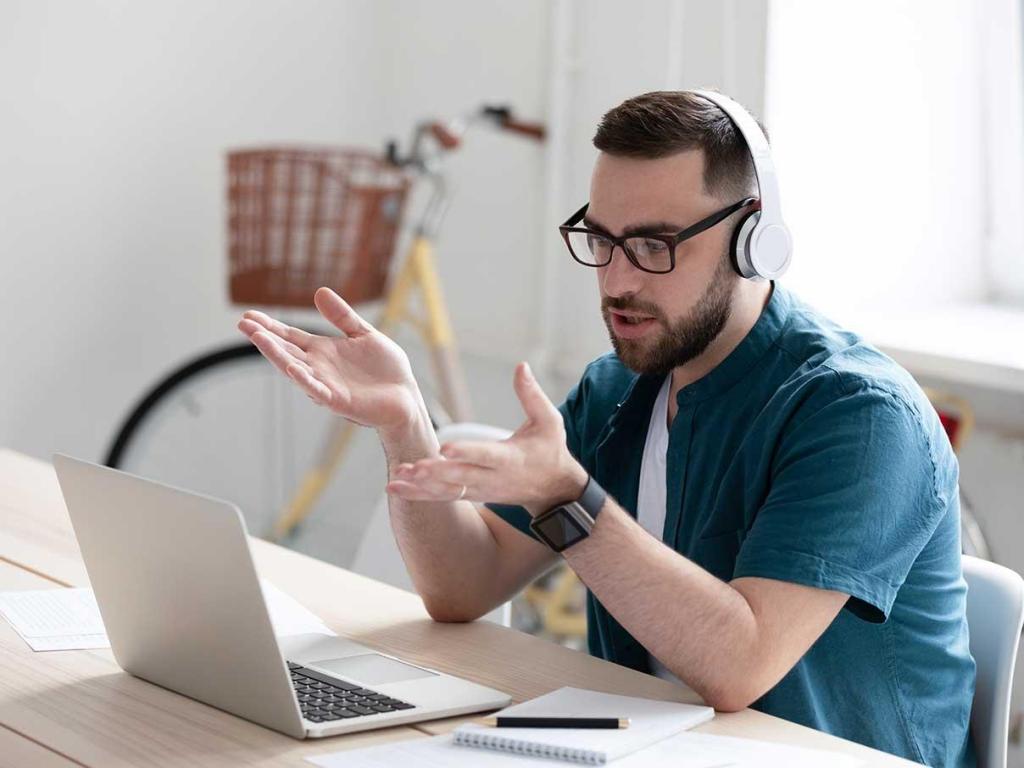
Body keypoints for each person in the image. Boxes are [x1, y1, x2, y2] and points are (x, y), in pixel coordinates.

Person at [237, 90, 975, 766]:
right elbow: (463, 586)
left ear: (756, 239)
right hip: (648, 747)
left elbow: (739, 665)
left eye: (654, 246)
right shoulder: (622, 387)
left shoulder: (859, 415)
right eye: (601, 239)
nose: (617, 280)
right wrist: (404, 423)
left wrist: (570, 498)